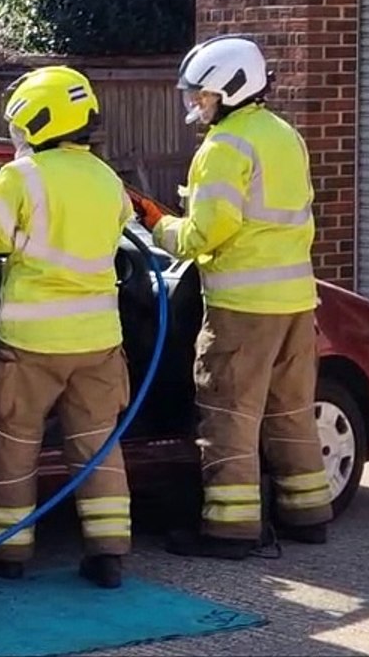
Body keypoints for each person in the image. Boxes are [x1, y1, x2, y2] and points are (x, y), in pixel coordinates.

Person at [132, 35, 333, 560]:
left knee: (229, 413)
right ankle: (308, 513)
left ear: (229, 89)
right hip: (296, 301)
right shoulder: (284, 135)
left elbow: (208, 232)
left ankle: (228, 529)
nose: (196, 104)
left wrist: (160, 227)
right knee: (290, 410)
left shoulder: (224, 147)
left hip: (243, 308)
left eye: (202, 95)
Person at [0, 65, 133, 589]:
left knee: (13, 443)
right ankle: (108, 553)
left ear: (39, 121)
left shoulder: (22, 176)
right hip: (100, 343)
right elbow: (124, 234)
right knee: (97, 446)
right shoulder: (108, 180)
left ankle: (8, 552)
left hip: (31, 345)